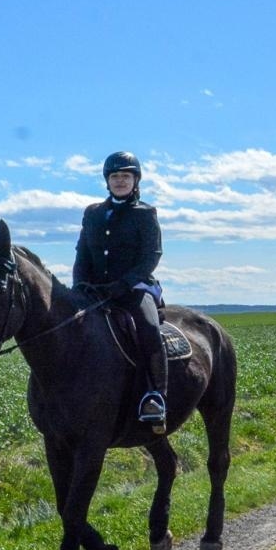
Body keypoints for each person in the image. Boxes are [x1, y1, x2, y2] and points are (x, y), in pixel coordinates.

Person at [73, 151, 167, 426]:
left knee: (148, 328)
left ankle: (155, 395)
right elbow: (83, 254)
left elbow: (151, 256)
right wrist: (79, 286)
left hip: (134, 289)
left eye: (126, 175)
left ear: (136, 180)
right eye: (115, 176)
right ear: (107, 181)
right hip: (94, 291)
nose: (120, 181)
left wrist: (122, 285)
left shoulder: (145, 214)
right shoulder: (92, 213)